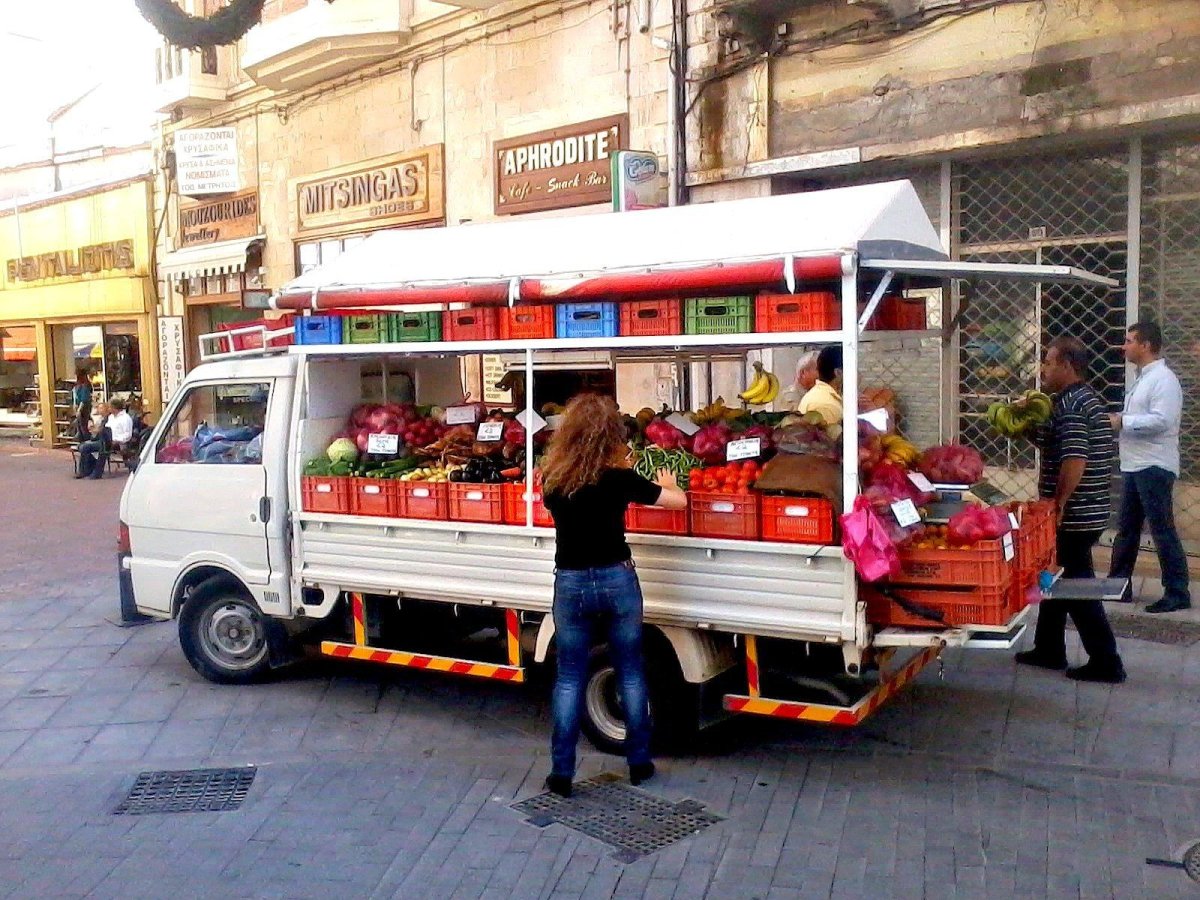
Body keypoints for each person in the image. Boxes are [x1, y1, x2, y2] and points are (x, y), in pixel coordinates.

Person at [540, 394, 687, 797]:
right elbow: (677, 502)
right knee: (630, 670)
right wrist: (668, 483)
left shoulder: (553, 479)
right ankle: (639, 763)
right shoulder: (619, 479)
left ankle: (561, 773)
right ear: (611, 435)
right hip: (616, 579)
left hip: (570, 582)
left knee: (569, 677)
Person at [1015, 336, 1125, 684]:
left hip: (1076, 514)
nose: (1043, 370)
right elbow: (1055, 442)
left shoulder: (1075, 405)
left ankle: (1106, 661)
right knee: (1056, 576)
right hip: (1085, 510)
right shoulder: (1077, 400)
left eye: (1048, 363)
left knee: (1077, 586)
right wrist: (1023, 423)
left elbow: (1075, 458)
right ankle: (1049, 647)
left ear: (1066, 365)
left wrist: (1059, 503)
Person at [1107, 321, 1191, 613]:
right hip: (1135, 464)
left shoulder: (1163, 380)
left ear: (1145, 345)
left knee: (1161, 529)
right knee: (1127, 529)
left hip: (1154, 465)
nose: (1125, 346)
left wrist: (1124, 422)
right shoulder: (1143, 379)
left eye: (1130, 341)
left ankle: (1177, 591)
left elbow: (1162, 420)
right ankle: (1118, 585)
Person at [798, 345, 844, 436]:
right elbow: (828, 440)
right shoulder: (826, 405)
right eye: (853, 369)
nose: (858, 374)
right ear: (838, 373)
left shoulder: (821, 395)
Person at [75, 402, 111, 479]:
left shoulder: (108, 419)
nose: (99, 410)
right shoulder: (99, 418)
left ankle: (84, 471)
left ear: (106, 409)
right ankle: (85, 469)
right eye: (99, 408)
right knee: (83, 445)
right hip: (98, 438)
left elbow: (103, 431)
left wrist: (95, 430)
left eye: (101, 408)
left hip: (105, 441)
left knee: (85, 447)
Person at [71, 371, 92, 442]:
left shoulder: (84, 387)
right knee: (80, 426)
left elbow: (83, 400)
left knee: (83, 426)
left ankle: (86, 441)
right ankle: (81, 440)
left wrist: (79, 410)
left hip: (84, 408)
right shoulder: (77, 387)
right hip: (79, 407)